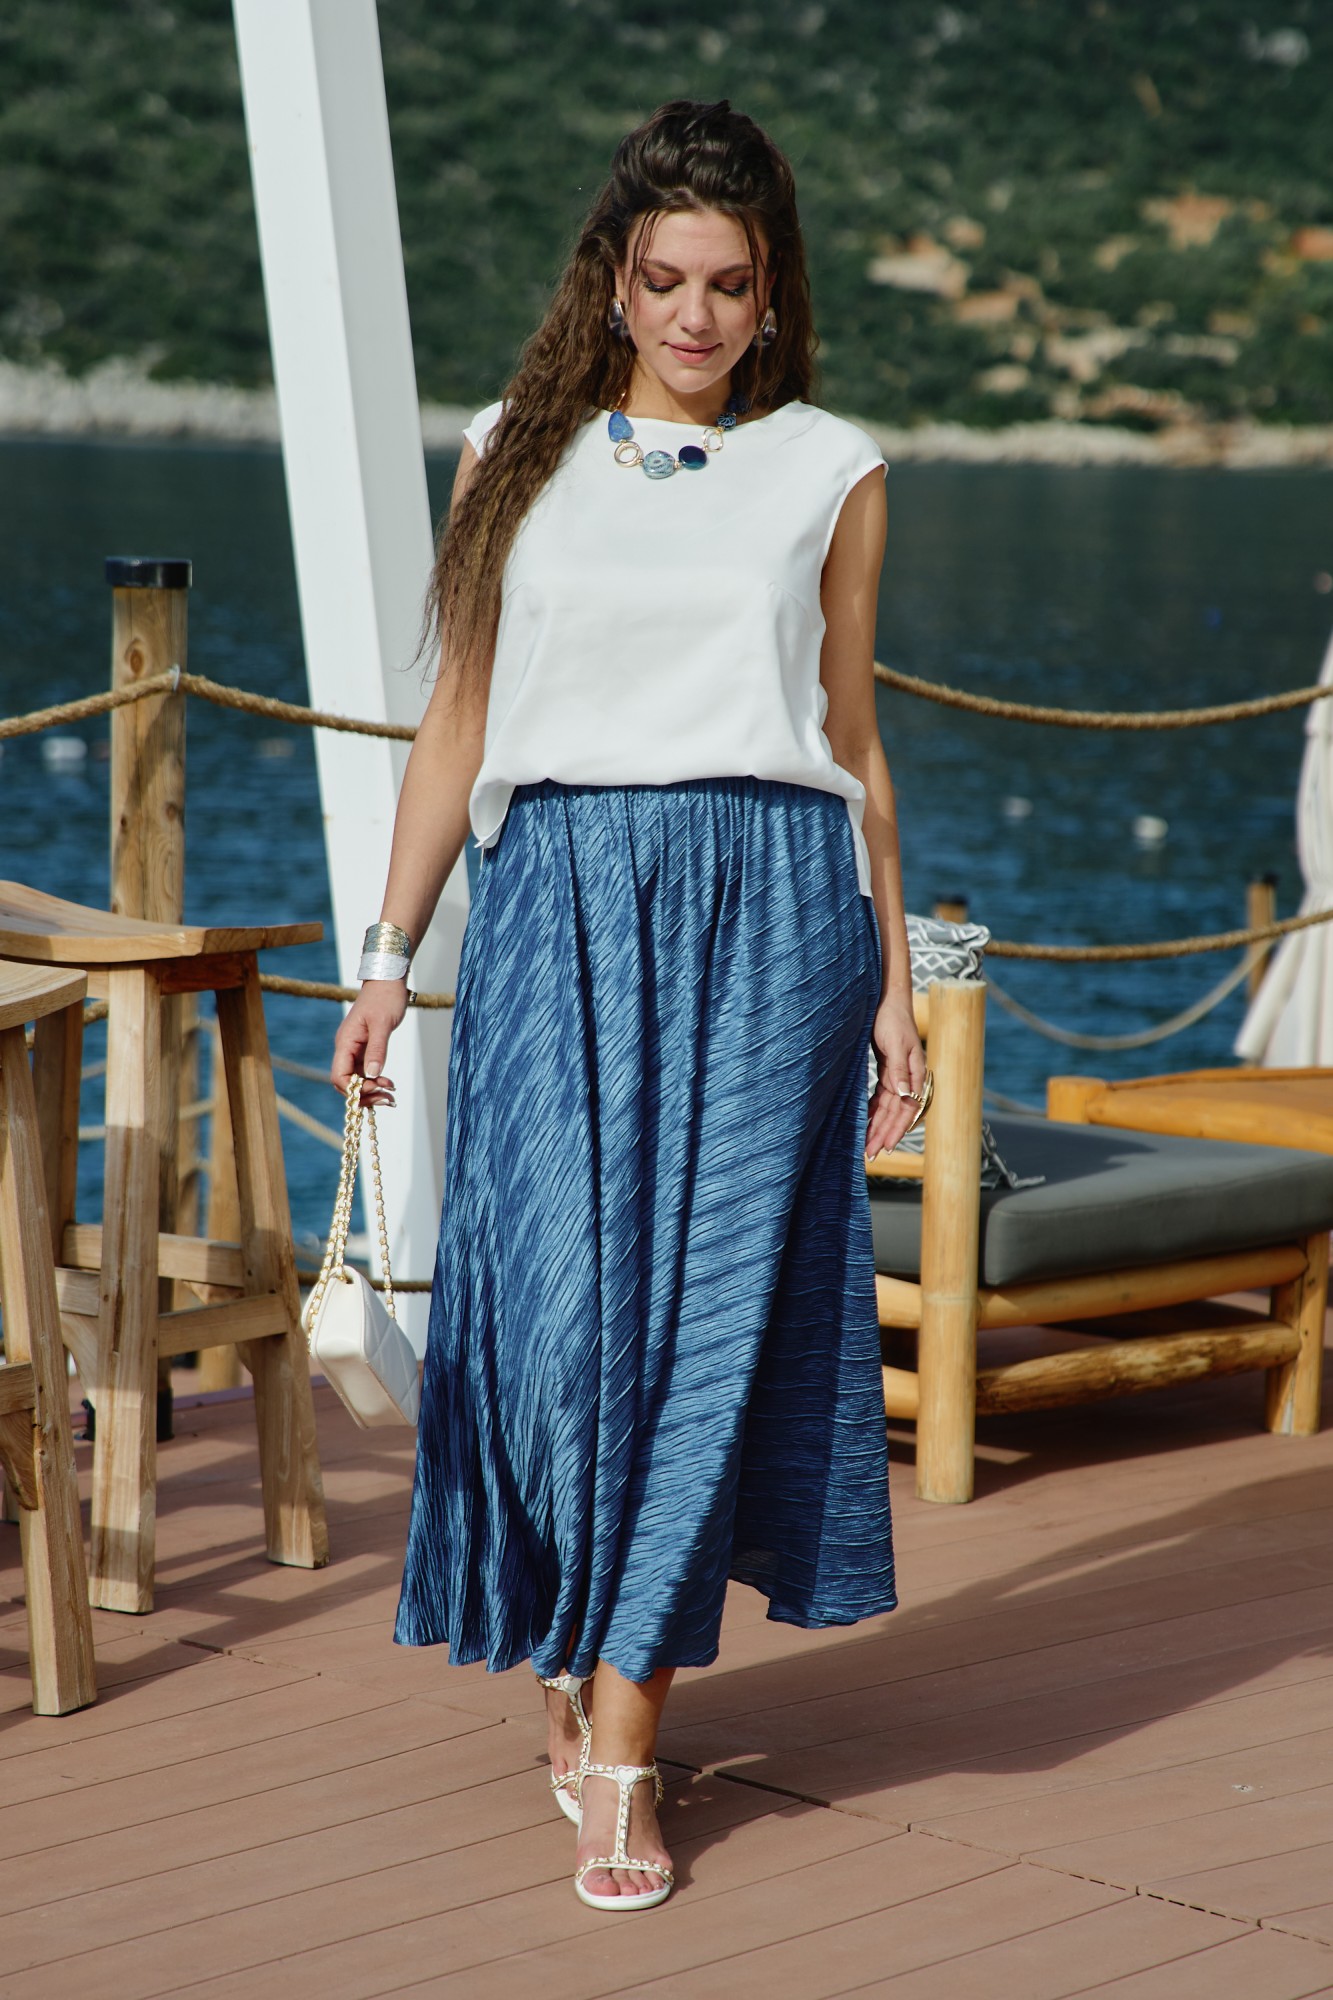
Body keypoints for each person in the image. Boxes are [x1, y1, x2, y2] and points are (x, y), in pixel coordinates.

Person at [331, 97, 926, 1914]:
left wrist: (897, 988)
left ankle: (620, 1750)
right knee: (551, 1332)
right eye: (664, 278)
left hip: (772, 916)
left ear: (770, 294)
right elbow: (457, 723)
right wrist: (387, 955)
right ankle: (570, 1641)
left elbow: (850, 742)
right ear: (612, 278)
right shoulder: (509, 453)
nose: (693, 314)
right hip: (558, 905)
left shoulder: (830, 468)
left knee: (699, 1338)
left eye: (726, 285)